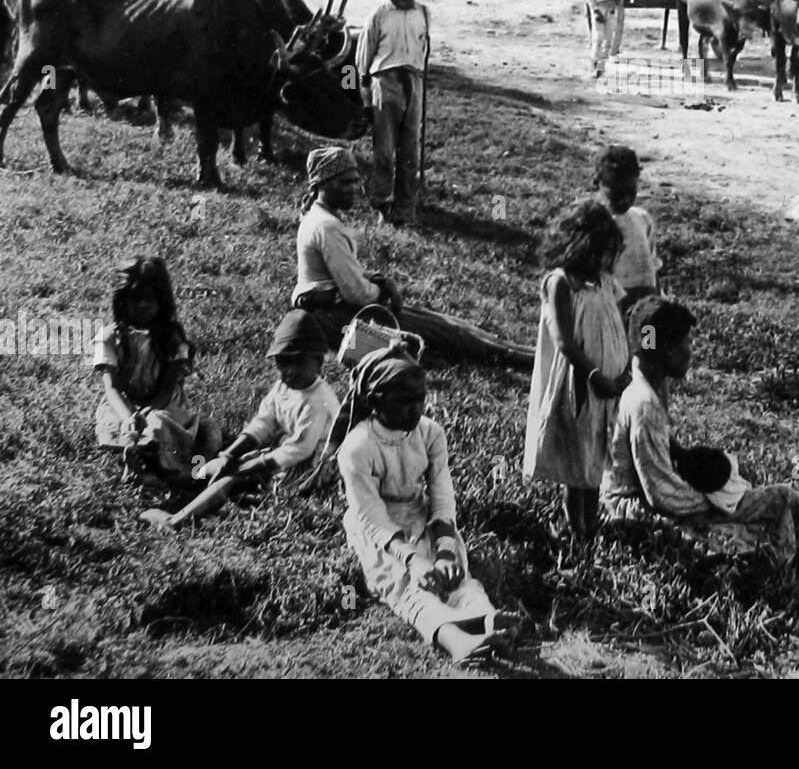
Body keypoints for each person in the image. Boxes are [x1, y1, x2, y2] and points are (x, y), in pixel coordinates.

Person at [604, 297, 799, 577]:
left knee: (776, 503)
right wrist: (720, 503)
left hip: (661, 501)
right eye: (683, 342)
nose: (690, 350)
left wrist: (705, 476)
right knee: (740, 540)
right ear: (662, 350)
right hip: (639, 515)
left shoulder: (649, 384)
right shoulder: (643, 403)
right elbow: (658, 492)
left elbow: (660, 455)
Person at [337, 342, 517, 664]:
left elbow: (441, 493)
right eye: (405, 400)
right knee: (406, 585)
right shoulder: (357, 447)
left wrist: (446, 548)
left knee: (455, 577)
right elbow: (370, 515)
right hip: (379, 530)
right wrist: (413, 560)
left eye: (421, 398)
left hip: (421, 515)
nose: (417, 408)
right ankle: (456, 640)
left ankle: (485, 620)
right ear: (376, 401)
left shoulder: (430, 432)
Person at [293, 146, 525, 365]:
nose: (354, 188)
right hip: (338, 321)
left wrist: (381, 281)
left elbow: (347, 276)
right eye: (345, 182)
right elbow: (357, 294)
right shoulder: (327, 227)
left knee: (444, 323)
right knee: (446, 332)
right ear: (322, 184)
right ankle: (518, 356)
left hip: (335, 313)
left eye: (355, 181)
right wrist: (384, 290)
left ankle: (509, 347)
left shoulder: (318, 218)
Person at [140, 310, 339, 529]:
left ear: (319, 362)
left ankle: (177, 520)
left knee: (232, 479)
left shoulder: (318, 401)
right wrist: (228, 455)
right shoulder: (284, 387)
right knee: (214, 467)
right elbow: (263, 423)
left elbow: (297, 450)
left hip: (305, 468)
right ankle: (179, 489)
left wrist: (246, 468)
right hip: (278, 455)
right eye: (283, 363)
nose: (290, 371)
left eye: (299, 363)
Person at [524, 200, 631, 538]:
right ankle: (577, 529)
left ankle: (592, 521)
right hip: (580, 381)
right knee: (577, 459)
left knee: (596, 455)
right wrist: (594, 375)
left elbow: (622, 321)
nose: (602, 261)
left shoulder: (605, 283)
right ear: (578, 246)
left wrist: (627, 368)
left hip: (610, 384)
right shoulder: (561, 283)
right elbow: (564, 340)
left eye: (608, 255)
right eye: (598, 253)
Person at [92, 256, 217, 487]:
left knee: (157, 424)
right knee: (115, 424)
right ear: (121, 300)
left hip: (163, 404)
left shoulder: (171, 338)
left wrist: (147, 412)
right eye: (135, 298)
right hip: (123, 403)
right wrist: (128, 417)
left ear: (162, 300)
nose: (142, 305)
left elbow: (168, 387)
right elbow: (112, 387)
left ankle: (167, 464)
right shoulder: (110, 337)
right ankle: (140, 455)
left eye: (149, 299)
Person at [356, 0, 430, 226]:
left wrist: (418, 80)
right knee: (385, 150)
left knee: (410, 150)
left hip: (414, 83)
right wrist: (359, 94)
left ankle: (405, 207)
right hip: (385, 84)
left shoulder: (423, 13)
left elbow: (424, 49)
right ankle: (382, 203)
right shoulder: (379, 15)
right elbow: (361, 59)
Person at [593, 145, 660, 314]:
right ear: (597, 182)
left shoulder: (642, 219)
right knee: (617, 340)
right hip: (612, 307)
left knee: (648, 338)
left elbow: (653, 265)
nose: (625, 199)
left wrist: (657, 302)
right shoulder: (593, 222)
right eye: (616, 192)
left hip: (646, 306)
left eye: (631, 191)